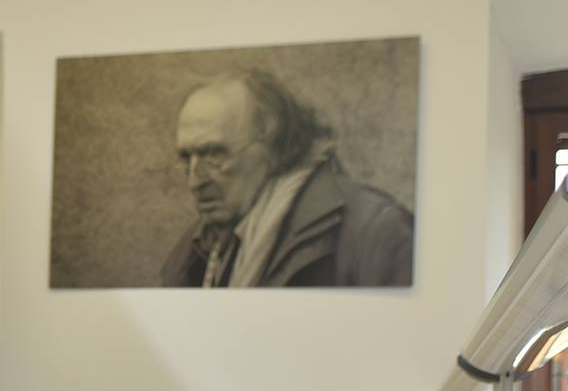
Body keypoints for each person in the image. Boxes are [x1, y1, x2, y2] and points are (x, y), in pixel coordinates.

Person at [161, 70, 414, 288]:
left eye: (214, 154)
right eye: (186, 158)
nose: (194, 182)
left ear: (272, 145)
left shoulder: (377, 230)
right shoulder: (198, 246)